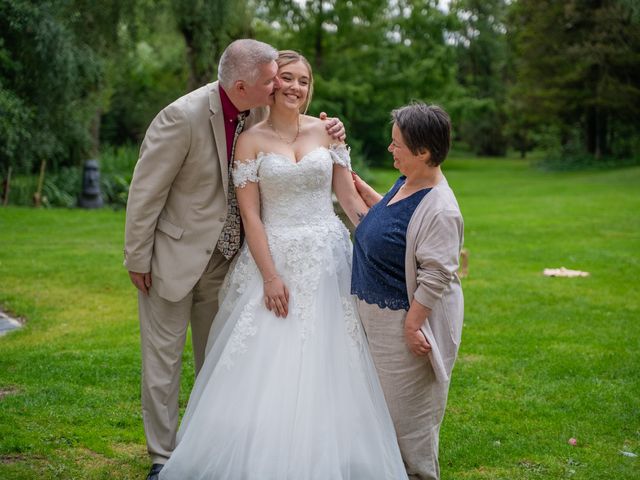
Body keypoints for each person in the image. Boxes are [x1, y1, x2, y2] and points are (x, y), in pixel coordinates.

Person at [158, 50, 408, 480]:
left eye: (304, 81)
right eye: (287, 79)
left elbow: (349, 200)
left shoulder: (329, 133)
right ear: (271, 85)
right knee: (266, 359)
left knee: (334, 358)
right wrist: (271, 276)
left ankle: (333, 454)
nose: (295, 87)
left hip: (329, 259)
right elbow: (252, 215)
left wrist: (388, 242)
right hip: (272, 261)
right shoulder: (250, 141)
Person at [124, 40, 345, 480]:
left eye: (282, 80)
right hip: (175, 255)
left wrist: (331, 128)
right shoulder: (181, 116)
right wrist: (138, 257)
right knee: (163, 363)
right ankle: (162, 457)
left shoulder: (261, 109)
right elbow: (146, 192)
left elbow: (293, 128)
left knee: (221, 360)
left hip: (228, 259)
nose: (278, 87)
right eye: (271, 81)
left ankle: (210, 444)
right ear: (243, 85)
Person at [351, 103, 464, 480]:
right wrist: (353, 182)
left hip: (403, 322)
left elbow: (436, 275)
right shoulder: (407, 182)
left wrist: (414, 326)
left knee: (408, 419)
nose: (390, 149)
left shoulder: (441, 209)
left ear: (424, 152)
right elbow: (388, 215)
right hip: (377, 317)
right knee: (380, 413)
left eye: (397, 144)